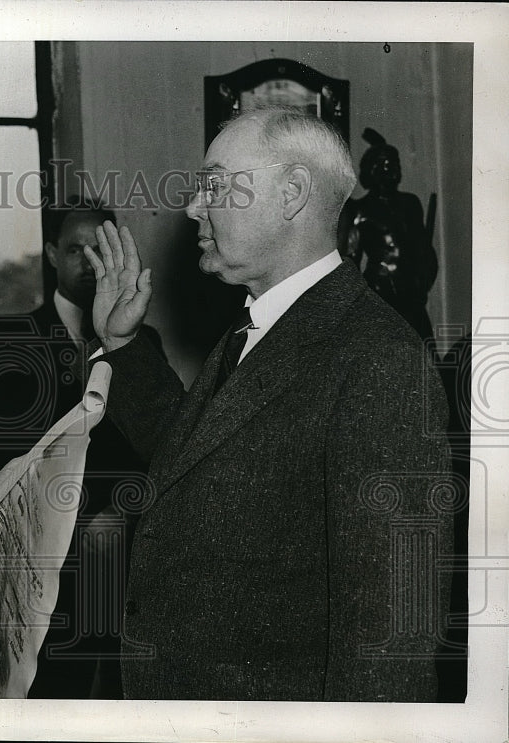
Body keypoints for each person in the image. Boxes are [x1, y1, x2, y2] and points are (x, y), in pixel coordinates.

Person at [84, 106, 454, 701]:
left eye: (214, 184)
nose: (192, 208)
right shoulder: (259, 326)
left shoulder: (377, 357)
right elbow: (197, 469)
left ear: (292, 194)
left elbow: (391, 637)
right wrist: (122, 345)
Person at [0, 197, 164, 699]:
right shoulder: (13, 337)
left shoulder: (143, 344)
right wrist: (87, 511)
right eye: (76, 249)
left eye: (99, 248)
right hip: (42, 553)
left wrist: (116, 511)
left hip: (119, 555)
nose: (89, 262)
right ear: (53, 255)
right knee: (51, 691)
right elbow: (11, 448)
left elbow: (151, 448)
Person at [337, 127, 438, 339]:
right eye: (385, 164)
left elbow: (424, 250)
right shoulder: (360, 209)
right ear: (372, 170)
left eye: (395, 164)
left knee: (422, 352)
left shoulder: (410, 203)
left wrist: (424, 280)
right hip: (379, 292)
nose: (392, 170)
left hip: (411, 293)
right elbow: (351, 261)